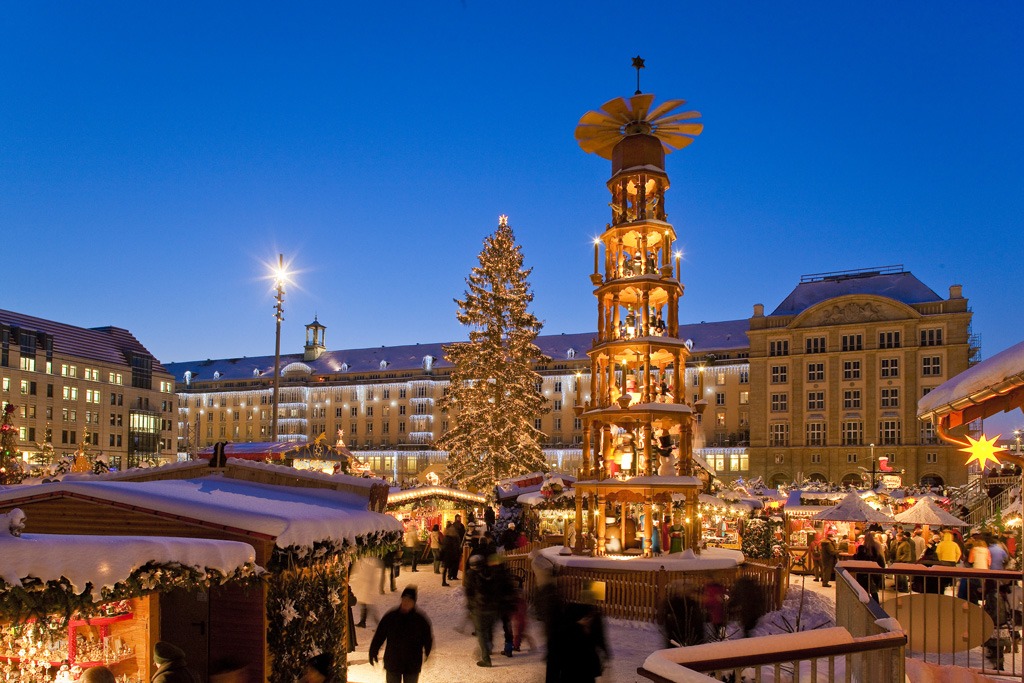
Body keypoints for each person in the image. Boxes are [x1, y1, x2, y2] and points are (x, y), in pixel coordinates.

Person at [368, 586, 433, 683]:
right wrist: (373, 650)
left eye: (409, 600)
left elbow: (427, 638)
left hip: (412, 665)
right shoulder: (391, 617)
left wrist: (427, 652)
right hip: (393, 663)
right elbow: (379, 635)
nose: (406, 602)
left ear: (414, 602)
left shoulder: (420, 620)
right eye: (404, 599)